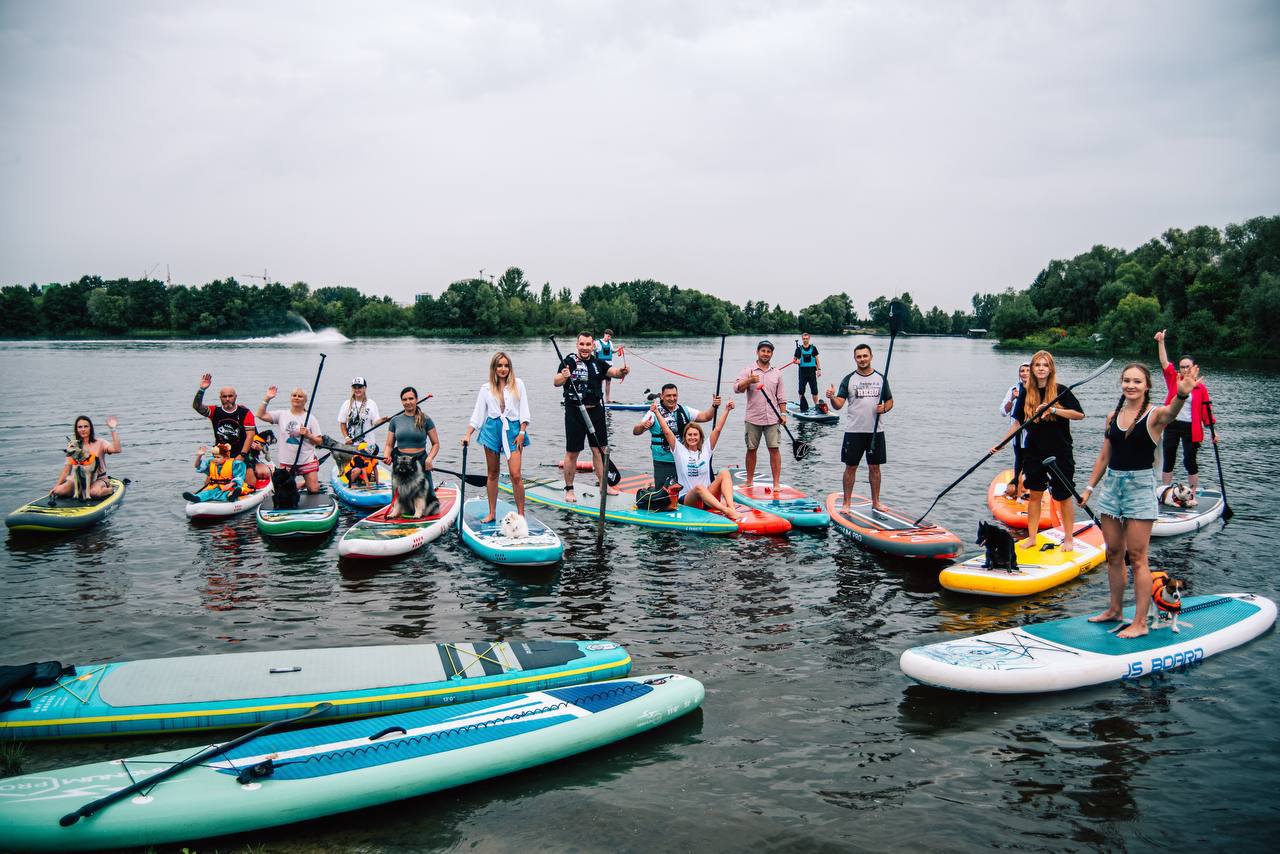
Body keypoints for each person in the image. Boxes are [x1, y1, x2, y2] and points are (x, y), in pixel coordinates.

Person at [1081, 362, 1200, 638]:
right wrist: (1089, 487)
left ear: (1146, 386)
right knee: (1113, 554)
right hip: (1112, 486)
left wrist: (1181, 394)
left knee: (1137, 558)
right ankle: (1114, 610)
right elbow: (1104, 456)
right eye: (1126, 381)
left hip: (1139, 487)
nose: (1131, 386)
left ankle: (1140, 623)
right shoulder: (1113, 416)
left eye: (1137, 381)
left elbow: (1172, 413)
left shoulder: (1155, 414)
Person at [991, 351, 1084, 551]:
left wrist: (1053, 410)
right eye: (1037, 365)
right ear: (1032, 369)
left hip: (1060, 450)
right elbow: (1017, 422)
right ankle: (1032, 537)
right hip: (1034, 450)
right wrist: (1002, 443)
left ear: (1051, 369)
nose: (1041, 368)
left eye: (1045, 365)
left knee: (1064, 495)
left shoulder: (1061, 391)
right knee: (1035, 494)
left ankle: (1069, 538)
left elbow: (1079, 415)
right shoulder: (1025, 392)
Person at [555, 331, 630, 503]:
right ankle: (569, 489)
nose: (585, 348)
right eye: (582, 344)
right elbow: (556, 381)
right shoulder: (569, 361)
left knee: (599, 449)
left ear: (593, 346)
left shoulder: (598, 363)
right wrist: (563, 376)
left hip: (595, 411)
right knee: (573, 452)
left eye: (588, 344)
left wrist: (623, 371)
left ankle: (604, 486)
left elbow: (615, 372)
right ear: (577, 345)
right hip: (575, 412)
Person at [464, 352, 532, 522]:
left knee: (515, 474)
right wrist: (468, 434)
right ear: (494, 368)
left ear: (510, 367)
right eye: (499, 365)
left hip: (513, 429)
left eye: (506, 365)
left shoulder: (519, 384)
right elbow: (478, 414)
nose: (503, 369)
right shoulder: (486, 388)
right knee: (492, 473)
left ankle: (521, 515)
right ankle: (492, 513)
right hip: (491, 429)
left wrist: (522, 432)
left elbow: (524, 410)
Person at [826, 343, 894, 511]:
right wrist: (832, 397)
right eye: (859, 356)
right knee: (850, 467)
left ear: (871, 357)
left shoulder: (881, 378)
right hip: (854, 431)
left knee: (875, 468)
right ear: (855, 358)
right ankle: (846, 503)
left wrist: (884, 408)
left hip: (875, 432)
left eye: (865, 356)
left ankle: (876, 502)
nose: (862, 359)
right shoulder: (849, 379)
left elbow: (890, 400)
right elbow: (838, 405)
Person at [651, 397, 743, 519]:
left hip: (708, 497)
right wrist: (656, 412)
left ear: (700, 437)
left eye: (695, 435)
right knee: (699, 488)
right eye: (689, 435)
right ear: (685, 437)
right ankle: (726, 510)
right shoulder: (679, 450)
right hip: (689, 499)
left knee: (724, 472)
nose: (692, 437)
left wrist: (727, 409)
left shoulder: (706, 449)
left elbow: (718, 429)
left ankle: (731, 507)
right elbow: (667, 431)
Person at [1155, 330, 1217, 500]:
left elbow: (1206, 412)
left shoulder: (1200, 388)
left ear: (1193, 368)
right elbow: (1164, 362)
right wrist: (1161, 342)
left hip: (1191, 428)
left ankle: (1192, 494)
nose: (1184, 369)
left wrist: (1213, 431)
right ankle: (1165, 493)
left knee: (1190, 461)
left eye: (1187, 366)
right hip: (1172, 424)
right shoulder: (1174, 379)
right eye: (1182, 366)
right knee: (1169, 459)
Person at [632, 384, 718, 488]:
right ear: (661, 396)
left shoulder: (685, 410)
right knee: (664, 494)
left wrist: (714, 406)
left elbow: (706, 416)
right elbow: (636, 431)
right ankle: (649, 487)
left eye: (674, 395)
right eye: (668, 396)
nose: (672, 399)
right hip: (663, 461)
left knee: (684, 491)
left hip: (684, 461)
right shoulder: (653, 412)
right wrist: (642, 425)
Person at [734, 340, 787, 493]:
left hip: (773, 418)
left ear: (772, 354)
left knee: (774, 449)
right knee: (751, 449)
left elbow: (781, 397)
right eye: (763, 351)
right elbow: (737, 388)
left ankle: (776, 483)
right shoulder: (748, 370)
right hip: (753, 418)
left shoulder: (777, 373)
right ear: (757, 352)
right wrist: (749, 380)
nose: (766, 354)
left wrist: (783, 414)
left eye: (768, 351)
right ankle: (749, 481)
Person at [256, 386, 324, 493]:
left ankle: (308, 482)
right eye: (294, 395)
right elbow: (260, 415)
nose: (296, 398)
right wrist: (267, 399)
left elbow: (319, 441)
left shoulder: (311, 418)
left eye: (300, 396)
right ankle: (299, 484)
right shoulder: (282, 415)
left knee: (314, 489)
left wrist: (308, 435)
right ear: (291, 398)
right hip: (287, 461)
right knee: (283, 490)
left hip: (307, 459)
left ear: (305, 400)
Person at [382, 386, 440, 495]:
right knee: (402, 502)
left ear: (416, 400)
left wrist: (429, 459)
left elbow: (436, 444)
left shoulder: (426, 419)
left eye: (411, 399)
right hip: (400, 464)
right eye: (404, 399)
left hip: (421, 463)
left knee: (426, 503)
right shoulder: (395, 420)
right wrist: (386, 455)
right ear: (401, 401)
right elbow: (389, 445)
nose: (408, 402)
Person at [51, 415, 121, 499]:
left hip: (98, 479)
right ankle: (78, 491)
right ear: (76, 429)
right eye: (80, 427)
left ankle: (109, 489)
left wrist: (113, 429)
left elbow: (117, 449)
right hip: (78, 480)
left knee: (93, 493)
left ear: (90, 428)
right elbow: (66, 471)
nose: (83, 429)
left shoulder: (100, 442)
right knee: (59, 491)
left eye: (86, 426)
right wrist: (56, 486)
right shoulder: (73, 447)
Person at [192, 374, 256, 460]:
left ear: (235, 397)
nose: (227, 399)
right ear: (220, 398)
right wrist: (202, 389)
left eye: (230, 396)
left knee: (252, 473)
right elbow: (197, 406)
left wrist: (242, 455)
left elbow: (250, 436)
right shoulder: (215, 411)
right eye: (224, 396)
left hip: (240, 453)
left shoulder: (245, 412)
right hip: (220, 454)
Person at [998, 363, 1031, 498]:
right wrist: (1012, 399)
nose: (1024, 373)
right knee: (1019, 459)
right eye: (1022, 371)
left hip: (1032, 433)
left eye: (1027, 370)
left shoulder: (1037, 388)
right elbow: (1003, 412)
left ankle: (1028, 488)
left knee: (1030, 460)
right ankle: (1018, 489)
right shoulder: (1013, 389)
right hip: (1016, 432)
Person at [792, 333, 822, 412]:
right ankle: (803, 405)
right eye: (804, 338)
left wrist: (819, 370)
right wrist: (797, 361)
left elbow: (817, 360)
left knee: (814, 390)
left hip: (812, 372)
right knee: (801, 390)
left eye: (806, 338)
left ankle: (817, 405)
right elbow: (794, 360)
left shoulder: (813, 348)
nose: (805, 340)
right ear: (802, 339)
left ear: (809, 339)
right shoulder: (798, 349)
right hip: (802, 372)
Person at [595, 329, 619, 403]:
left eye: (610, 337)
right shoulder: (597, 342)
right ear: (604, 334)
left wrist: (619, 349)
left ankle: (608, 399)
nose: (609, 338)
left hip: (609, 366)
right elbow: (594, 350)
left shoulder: (610, 343)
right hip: (600, 365)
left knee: (608, 382)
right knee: (600, 383)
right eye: (608, 336)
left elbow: (612, 351)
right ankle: (598, 399)